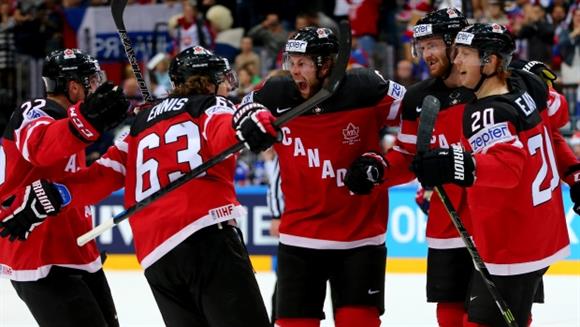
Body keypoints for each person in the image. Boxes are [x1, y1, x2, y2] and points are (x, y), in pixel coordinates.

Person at [0, 46, 278, 327]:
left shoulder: (141, 125)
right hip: (206, 234)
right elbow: (224, 127)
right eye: (221, 79)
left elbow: (104, 173)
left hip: (156, 254)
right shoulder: (209, 104)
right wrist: (252, 117)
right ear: (207, 82)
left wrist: (60, 194)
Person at [242, 26, 406, 327]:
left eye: (302, 63)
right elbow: (238, 117)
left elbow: (422, 117)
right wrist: (247, 121)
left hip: (361, 238)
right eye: (291, 62)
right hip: (300, 240)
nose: (294, 70)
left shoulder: (366, 88)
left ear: (327, 64)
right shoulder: (275, 93)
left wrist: (384, 163)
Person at [413, 23, 570, 327]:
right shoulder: (522, 88)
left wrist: (455, 163)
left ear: (491, 61)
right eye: (456, 52)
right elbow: (553, 126)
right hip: (541, 233)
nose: (456, 60)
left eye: (466, 54)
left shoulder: (486, 111)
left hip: (512, 242)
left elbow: (508, 168)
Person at [344, 8, 474, 326]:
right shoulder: (418, 97)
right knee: (450, 313)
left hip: (496, 220)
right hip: (448, 225)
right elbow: (407, 155)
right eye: (422, 46)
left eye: (433, 45)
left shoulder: (493, 87)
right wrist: (379, 170)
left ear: (456, 43)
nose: (425, 54)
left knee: (501, 311)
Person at [0, 48, 129, 326]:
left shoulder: (73, 125)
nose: (95, 88)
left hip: (74, 250)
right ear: (73, 86)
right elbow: (41, 149)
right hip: (38, 253)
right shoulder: (34, 111)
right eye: (91, 82)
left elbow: (81, 184)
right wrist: (89, 119)